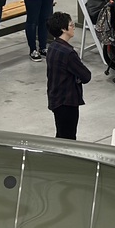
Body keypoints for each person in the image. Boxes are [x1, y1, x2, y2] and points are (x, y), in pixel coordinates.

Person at [45, 11, 91, 140]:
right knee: (68, 138)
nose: (73, 27)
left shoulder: (52, 47)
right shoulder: (69, 53)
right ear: (63, 29)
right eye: (71, 25)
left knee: (61, 133)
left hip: (55, 98)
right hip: (67, 101)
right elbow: (86, 76)